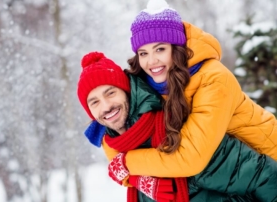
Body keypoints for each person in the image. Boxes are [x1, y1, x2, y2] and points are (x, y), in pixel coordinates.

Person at [104, 0, 277, 187]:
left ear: (176, 48)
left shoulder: (214, 78)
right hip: (232, 177)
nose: (151, 61)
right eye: (143, 53)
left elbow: (191, 157)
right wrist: (131, 173)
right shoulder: (150, 85)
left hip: (268, 167)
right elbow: (112, 129)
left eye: (160, 49)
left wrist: (127, 164)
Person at [77, 51, 277, 202]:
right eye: (94, 102)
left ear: (127, 91)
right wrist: (135, 178)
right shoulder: (118, 147)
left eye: (111, 93)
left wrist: (129, 167)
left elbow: (265, 177)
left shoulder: (177, 129)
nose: (105, 106)